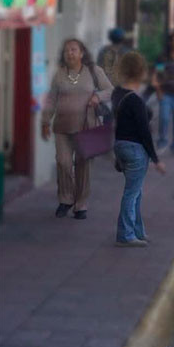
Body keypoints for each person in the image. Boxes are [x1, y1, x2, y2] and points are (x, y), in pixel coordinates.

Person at [41, 38, 113, 220]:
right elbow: (51, 100)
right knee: (63, 163)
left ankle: (81, 204)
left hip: (86, 126)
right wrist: (45, 121)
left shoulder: (94, 71)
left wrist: (97, 96)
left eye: (73, 50)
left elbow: (110, 90)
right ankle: (66, 199)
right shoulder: (59, 74)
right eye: (66, 51)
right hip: (62, 127)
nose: (69, 53)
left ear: (82, 53)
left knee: (83, 165)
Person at [112, 52, 166, 247]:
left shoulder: (118, 94)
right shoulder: (135, 99)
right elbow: (144, 131)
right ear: (141, 71)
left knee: (136, 192)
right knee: (132, 193)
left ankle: (137, 231)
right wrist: (156, 159)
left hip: (121, 145)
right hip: (135, 149)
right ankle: (125, 234)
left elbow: (118, 124)